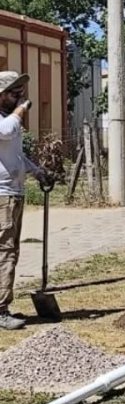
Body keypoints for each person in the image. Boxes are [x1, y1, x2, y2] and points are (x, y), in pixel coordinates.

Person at [0, 72, 47, 330]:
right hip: (2, 196)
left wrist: (36, 170)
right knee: (4, 252)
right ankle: (0, 310)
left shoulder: (8, 120)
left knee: (10, 252)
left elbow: (16, 156)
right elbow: (7, 132)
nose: (19, 98)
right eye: (14, 94)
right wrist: (20, 110)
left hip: (13, 194)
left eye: (20, 94)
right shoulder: (6, 122)